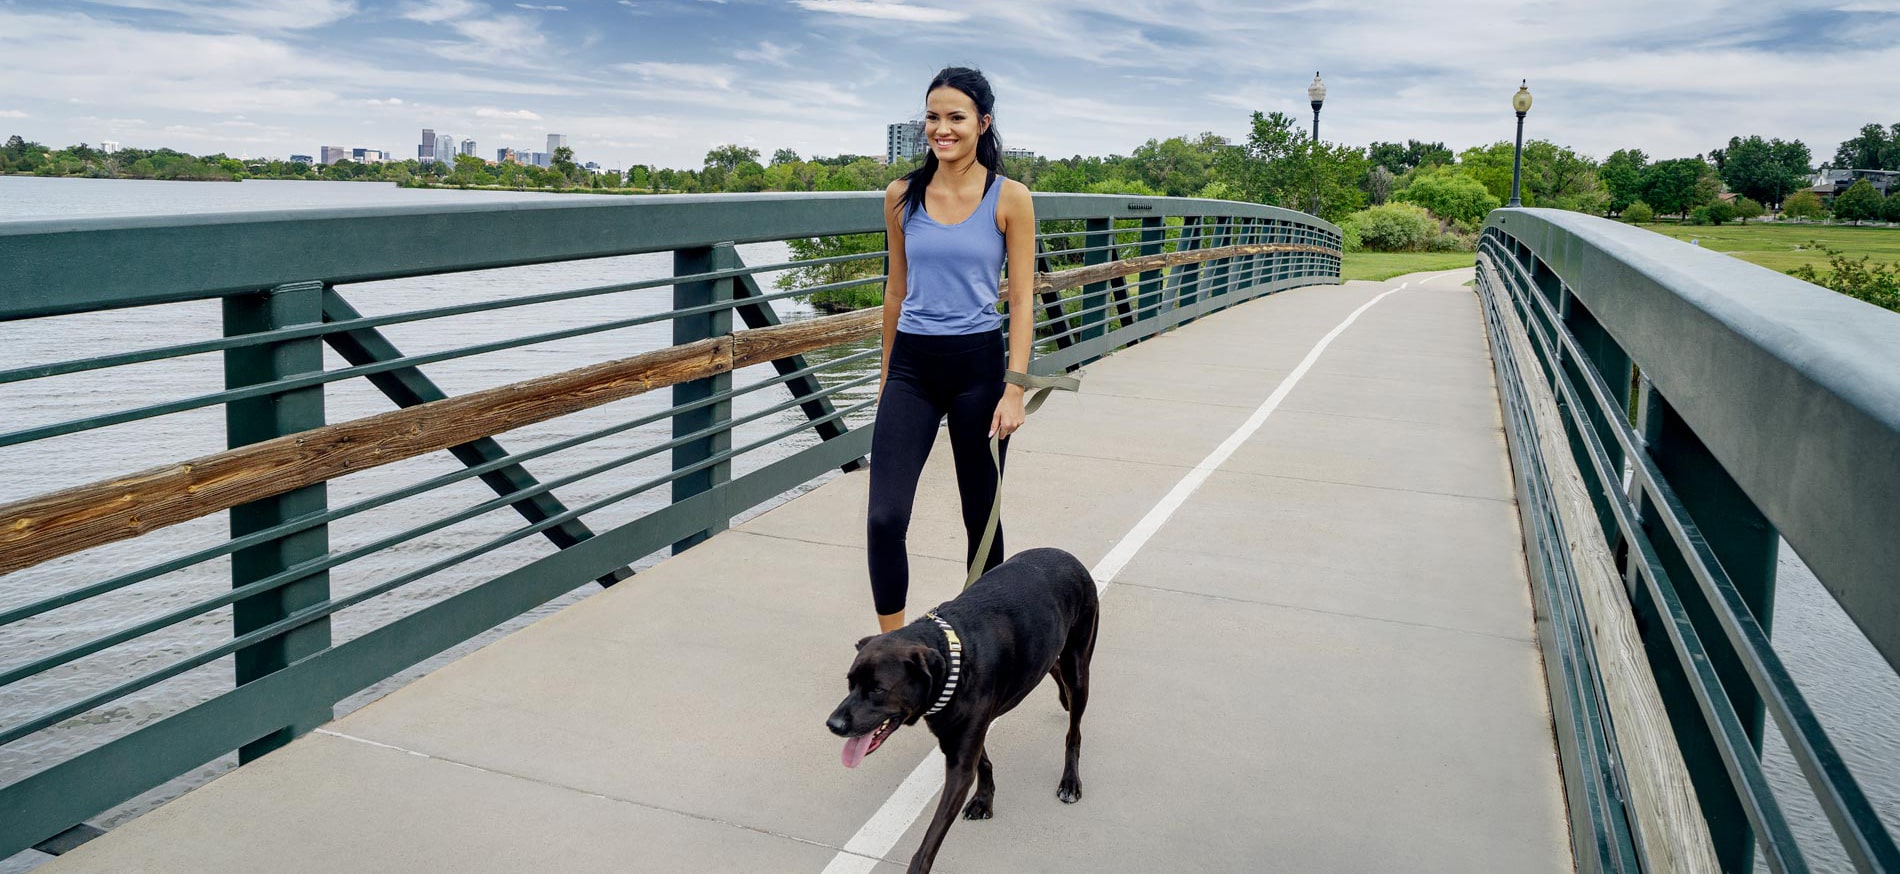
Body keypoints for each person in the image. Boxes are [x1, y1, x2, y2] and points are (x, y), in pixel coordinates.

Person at [867, 66, 1036, 633]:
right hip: (913, 369)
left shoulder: (1009, 198)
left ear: (982, 124)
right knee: (885, 516)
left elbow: (1020, 302)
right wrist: (887, 377)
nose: (942, 129)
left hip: (979, 371)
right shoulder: (900, 196)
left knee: (980, 516)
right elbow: (895, 290)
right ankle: (891, 653)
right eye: (933, 117)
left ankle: (983, 644)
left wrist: (1014, 388)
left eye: (956, 117)